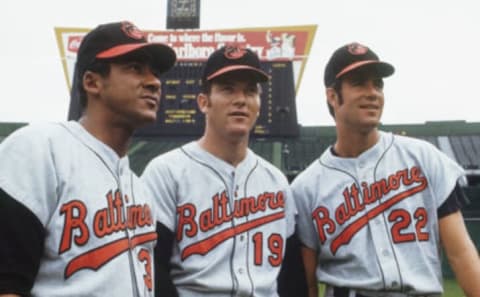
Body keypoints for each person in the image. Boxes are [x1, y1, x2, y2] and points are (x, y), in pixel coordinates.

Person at [0, 21, 176, 297]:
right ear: (92, 82)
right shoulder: (41, 148)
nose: (154, 82)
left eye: (155, 73)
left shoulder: (139, 188)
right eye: (135, 68)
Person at [291, 42, 480, 297]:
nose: (373, 93)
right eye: (359, 83)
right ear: (333, 96)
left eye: (378, 84)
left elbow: (461, 254)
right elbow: (307, 284)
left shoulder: (423, 158)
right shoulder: (306, 187)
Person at [141, 45, 305, 297]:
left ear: (259, 104)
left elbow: (291, 274)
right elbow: (152, 266)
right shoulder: (166, 172)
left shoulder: (276, 181)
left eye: (251, 91)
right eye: (228, 89)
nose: (240, 99)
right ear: (204, 102)